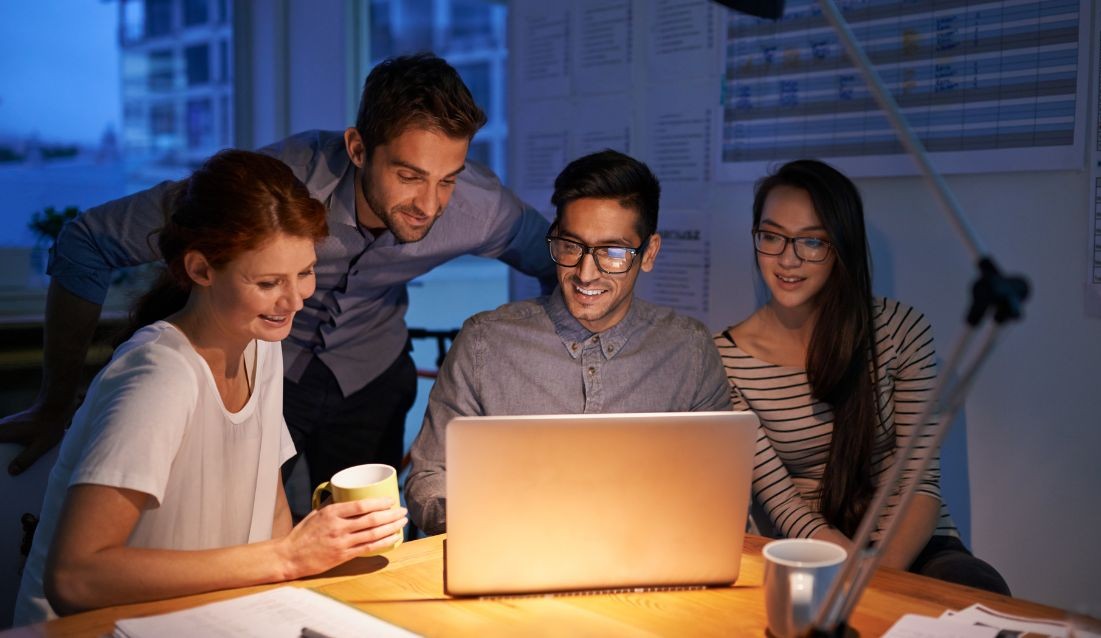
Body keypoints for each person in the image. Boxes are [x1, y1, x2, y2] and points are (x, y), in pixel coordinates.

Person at [0, 54, 556, 500]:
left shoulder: (480, 207)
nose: (430, 204)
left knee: (366, 545)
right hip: (261, 370)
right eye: (409, 175)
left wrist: (537, 387)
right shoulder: (277, 185)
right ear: (358, 148)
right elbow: (86, 242)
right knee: (247, 535)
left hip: (371, 376)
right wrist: (55, 401)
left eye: (448, 179)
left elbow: (567, 263)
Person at [12, 150, 406, 624]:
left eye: (304, 272)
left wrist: (302, 562)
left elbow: (269, 510)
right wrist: (287, 557)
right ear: (200, 270)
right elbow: (76, 577)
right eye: (267, 282)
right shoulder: (159, 376)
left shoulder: (260, 345)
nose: (295, 299)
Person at [715, 159, 1010, 594]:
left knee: (977, 588)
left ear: (841, 245)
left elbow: (918, 480)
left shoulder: (900, 330)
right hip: (808, 547)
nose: (787, 259)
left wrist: (878, 577)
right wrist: (847, 569)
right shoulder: (726, 358)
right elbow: (782, 501)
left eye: (812, 241)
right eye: (771, 237)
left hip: (909, 544)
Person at [405, 150, 732, 535]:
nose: (585, 273)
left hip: (642, 568)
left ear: (649, 253)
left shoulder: (688, 350)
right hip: (513, 561)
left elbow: (717, 490)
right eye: (571, 245)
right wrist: (489, 529)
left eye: (612, 252)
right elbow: (428, 477)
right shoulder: (485, 343)